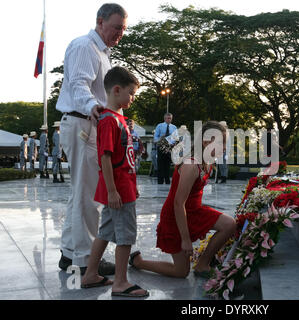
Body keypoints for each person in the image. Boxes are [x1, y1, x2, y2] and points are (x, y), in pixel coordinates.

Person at [56, 3, 127, 275]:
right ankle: (86, 260)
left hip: (88, 123)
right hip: (82, 122)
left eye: (123, 29)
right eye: (116, 27)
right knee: (88, 195)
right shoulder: (85, 46)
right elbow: (79, 84)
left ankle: (68, 253)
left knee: (80, 193)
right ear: (100, 22)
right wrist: (93, 107)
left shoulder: (102, 52)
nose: (119, 33)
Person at [128, 121, 236, 278]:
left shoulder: (206, 161)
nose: (225, 147)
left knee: (229, 224)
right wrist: (186, 239)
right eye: (221, 143)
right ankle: (138, 262)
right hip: (176, 216)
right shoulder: (191, 165)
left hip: (194, 211)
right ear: (206, 142)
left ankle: (202, 265)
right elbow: (178, 204)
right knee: (181, 272)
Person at [81, 66, 148, 298]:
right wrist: (112, 191)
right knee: (126, 235)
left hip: (122, 186)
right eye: (131, 93)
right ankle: (120, 282)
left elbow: (124, 157)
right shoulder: (110, 121)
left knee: (105, 232)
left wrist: (132, 184)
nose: (132, 98)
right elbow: (105, 158)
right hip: (118, 190)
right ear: (117, 90)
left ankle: (90, 274)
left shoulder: (118, 119)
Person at [154, 113, 177, 184]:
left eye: (170, 118)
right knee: (160, 163)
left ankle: (167, 180)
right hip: (161, 146)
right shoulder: (160, 126)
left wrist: (173, 142)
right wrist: (160, 138)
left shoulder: (174, 127)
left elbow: (176, 137)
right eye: (167, 118)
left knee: (167, 164)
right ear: (164, 118)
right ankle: (160, 181)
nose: (169, 119)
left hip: (169, 147)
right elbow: (155, 137)